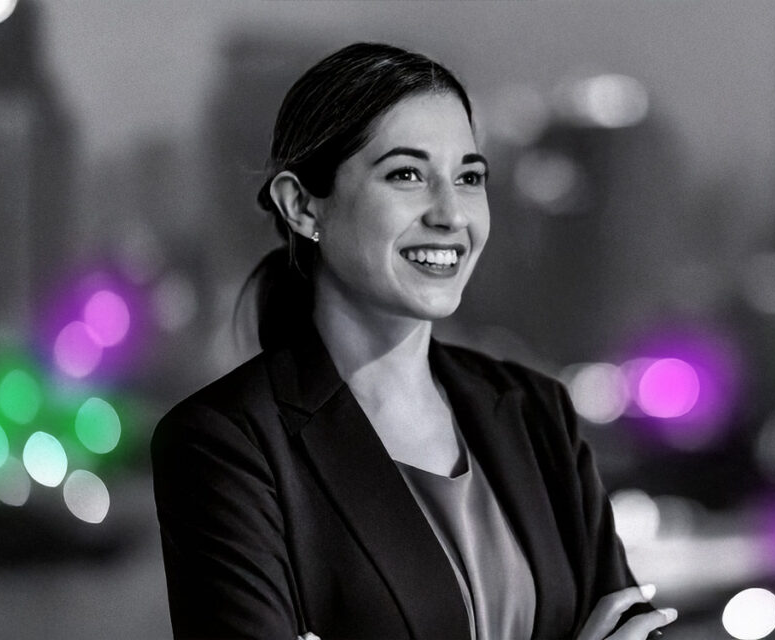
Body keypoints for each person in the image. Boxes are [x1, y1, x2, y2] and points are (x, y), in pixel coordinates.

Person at [151, 42, 677, 640]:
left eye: (469, 177)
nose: (452, 214)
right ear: (301, 205)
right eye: (406, 174)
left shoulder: (536, 413)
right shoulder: (226, 446)